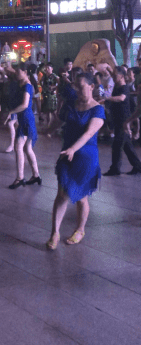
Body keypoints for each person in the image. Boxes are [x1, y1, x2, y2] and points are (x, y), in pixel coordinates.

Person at [46, 73, 105, 250]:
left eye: (81, 86)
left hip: (85, 156)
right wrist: (46, 130)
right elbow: (60, 121)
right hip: (67, 153)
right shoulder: (71, 104)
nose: (78, 90)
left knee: (81, 197)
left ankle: (80, 229)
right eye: (76, 87)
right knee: (62, 194)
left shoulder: (97, 110)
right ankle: (54, 232)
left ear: (91, 86)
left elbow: (88, 134)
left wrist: (73, 148)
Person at [4, 63, 41, 189]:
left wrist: (11, 112)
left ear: (25, 72)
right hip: (24, 118)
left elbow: (25, 104)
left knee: (19, 147)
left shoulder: (27, 86)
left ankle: (20, 177)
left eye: (19, 72)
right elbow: (10, 71)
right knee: (27, 149)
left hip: (26, 118)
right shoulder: (23, 83)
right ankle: (36, 175)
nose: (17, 74)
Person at [102, 67, 141, 176]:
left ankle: (115, 169)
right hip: (118, 120)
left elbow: (122, 98)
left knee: (117, 145)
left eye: (115, 75)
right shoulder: (117, 86)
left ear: (122, 76)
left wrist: (107, 98)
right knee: (127, 146)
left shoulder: (125, 88)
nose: (113, 77)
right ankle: (138, 167)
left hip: (124, 122)